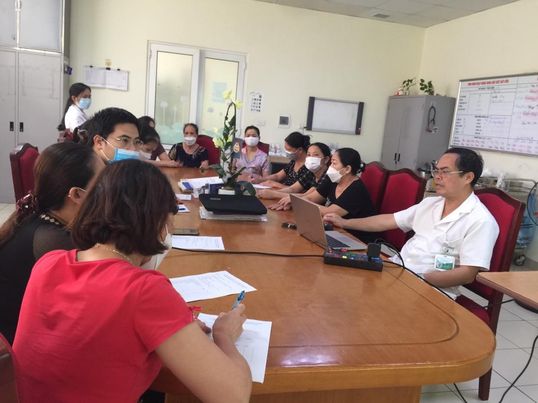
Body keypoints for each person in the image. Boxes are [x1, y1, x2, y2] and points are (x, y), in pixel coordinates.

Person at [13, 160, 252, 402]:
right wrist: (224, 334)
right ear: (158, 223)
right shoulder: (144, 290)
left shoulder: (48, 263)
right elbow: (233, 396)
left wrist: (175, 325)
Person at [324, 147, 500, 298]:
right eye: (436, 171)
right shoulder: (430, 204)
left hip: (429, 289)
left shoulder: (480, 220)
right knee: (337, 285)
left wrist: (420, 278)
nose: (437, 177)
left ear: (468, 177)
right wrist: (345, 223)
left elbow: (468, 274)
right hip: (397, 272)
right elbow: (387, 220)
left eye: (445, 172)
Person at [0, 143, 104, 344]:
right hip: (17, 348)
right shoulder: (54, 240)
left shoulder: (43, 218)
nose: (111, 190)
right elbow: (99, 297)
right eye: (103, 183)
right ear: (77, 194)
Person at [294, 148, 377, 243]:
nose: (330, 167)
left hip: (356, 239)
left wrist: (299, 203)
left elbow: (329, 212)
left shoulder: (356, 189)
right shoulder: (333, 179)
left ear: (347, 169)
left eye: (334, 163)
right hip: (335, 231)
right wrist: (294, 200)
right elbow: (311, 198)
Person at [258, 142, 331, 206]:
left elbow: (309, 198)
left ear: (326, 159)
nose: (311, 158)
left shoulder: (328, 177)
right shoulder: (310, 171)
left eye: (315, 155)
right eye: (309, 155)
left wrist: (274, 194)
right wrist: (271, 193)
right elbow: (294, 189)